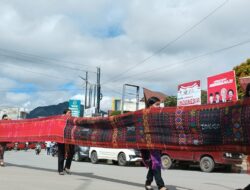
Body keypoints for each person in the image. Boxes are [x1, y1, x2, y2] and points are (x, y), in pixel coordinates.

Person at [141, 97, 168, 190]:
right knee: (156, 162)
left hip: (157, 143)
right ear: (150, 105)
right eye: (157, 104)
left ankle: (148, 183)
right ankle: (161, 186)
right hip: (148, 144)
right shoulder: (144, 115)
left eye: (159, 104)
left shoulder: (158, 115)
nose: (159, 106)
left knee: (153, 163)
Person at [57, 108, 75, 175]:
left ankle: (67, 167)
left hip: (70, 139)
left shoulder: (72, 120)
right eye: (69, 112)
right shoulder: (61, 120)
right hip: (62, 139)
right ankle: (60, 170)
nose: (70, 113)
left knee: (72, 152)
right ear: (65, 114)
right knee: (61, 154)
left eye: (71, 112)